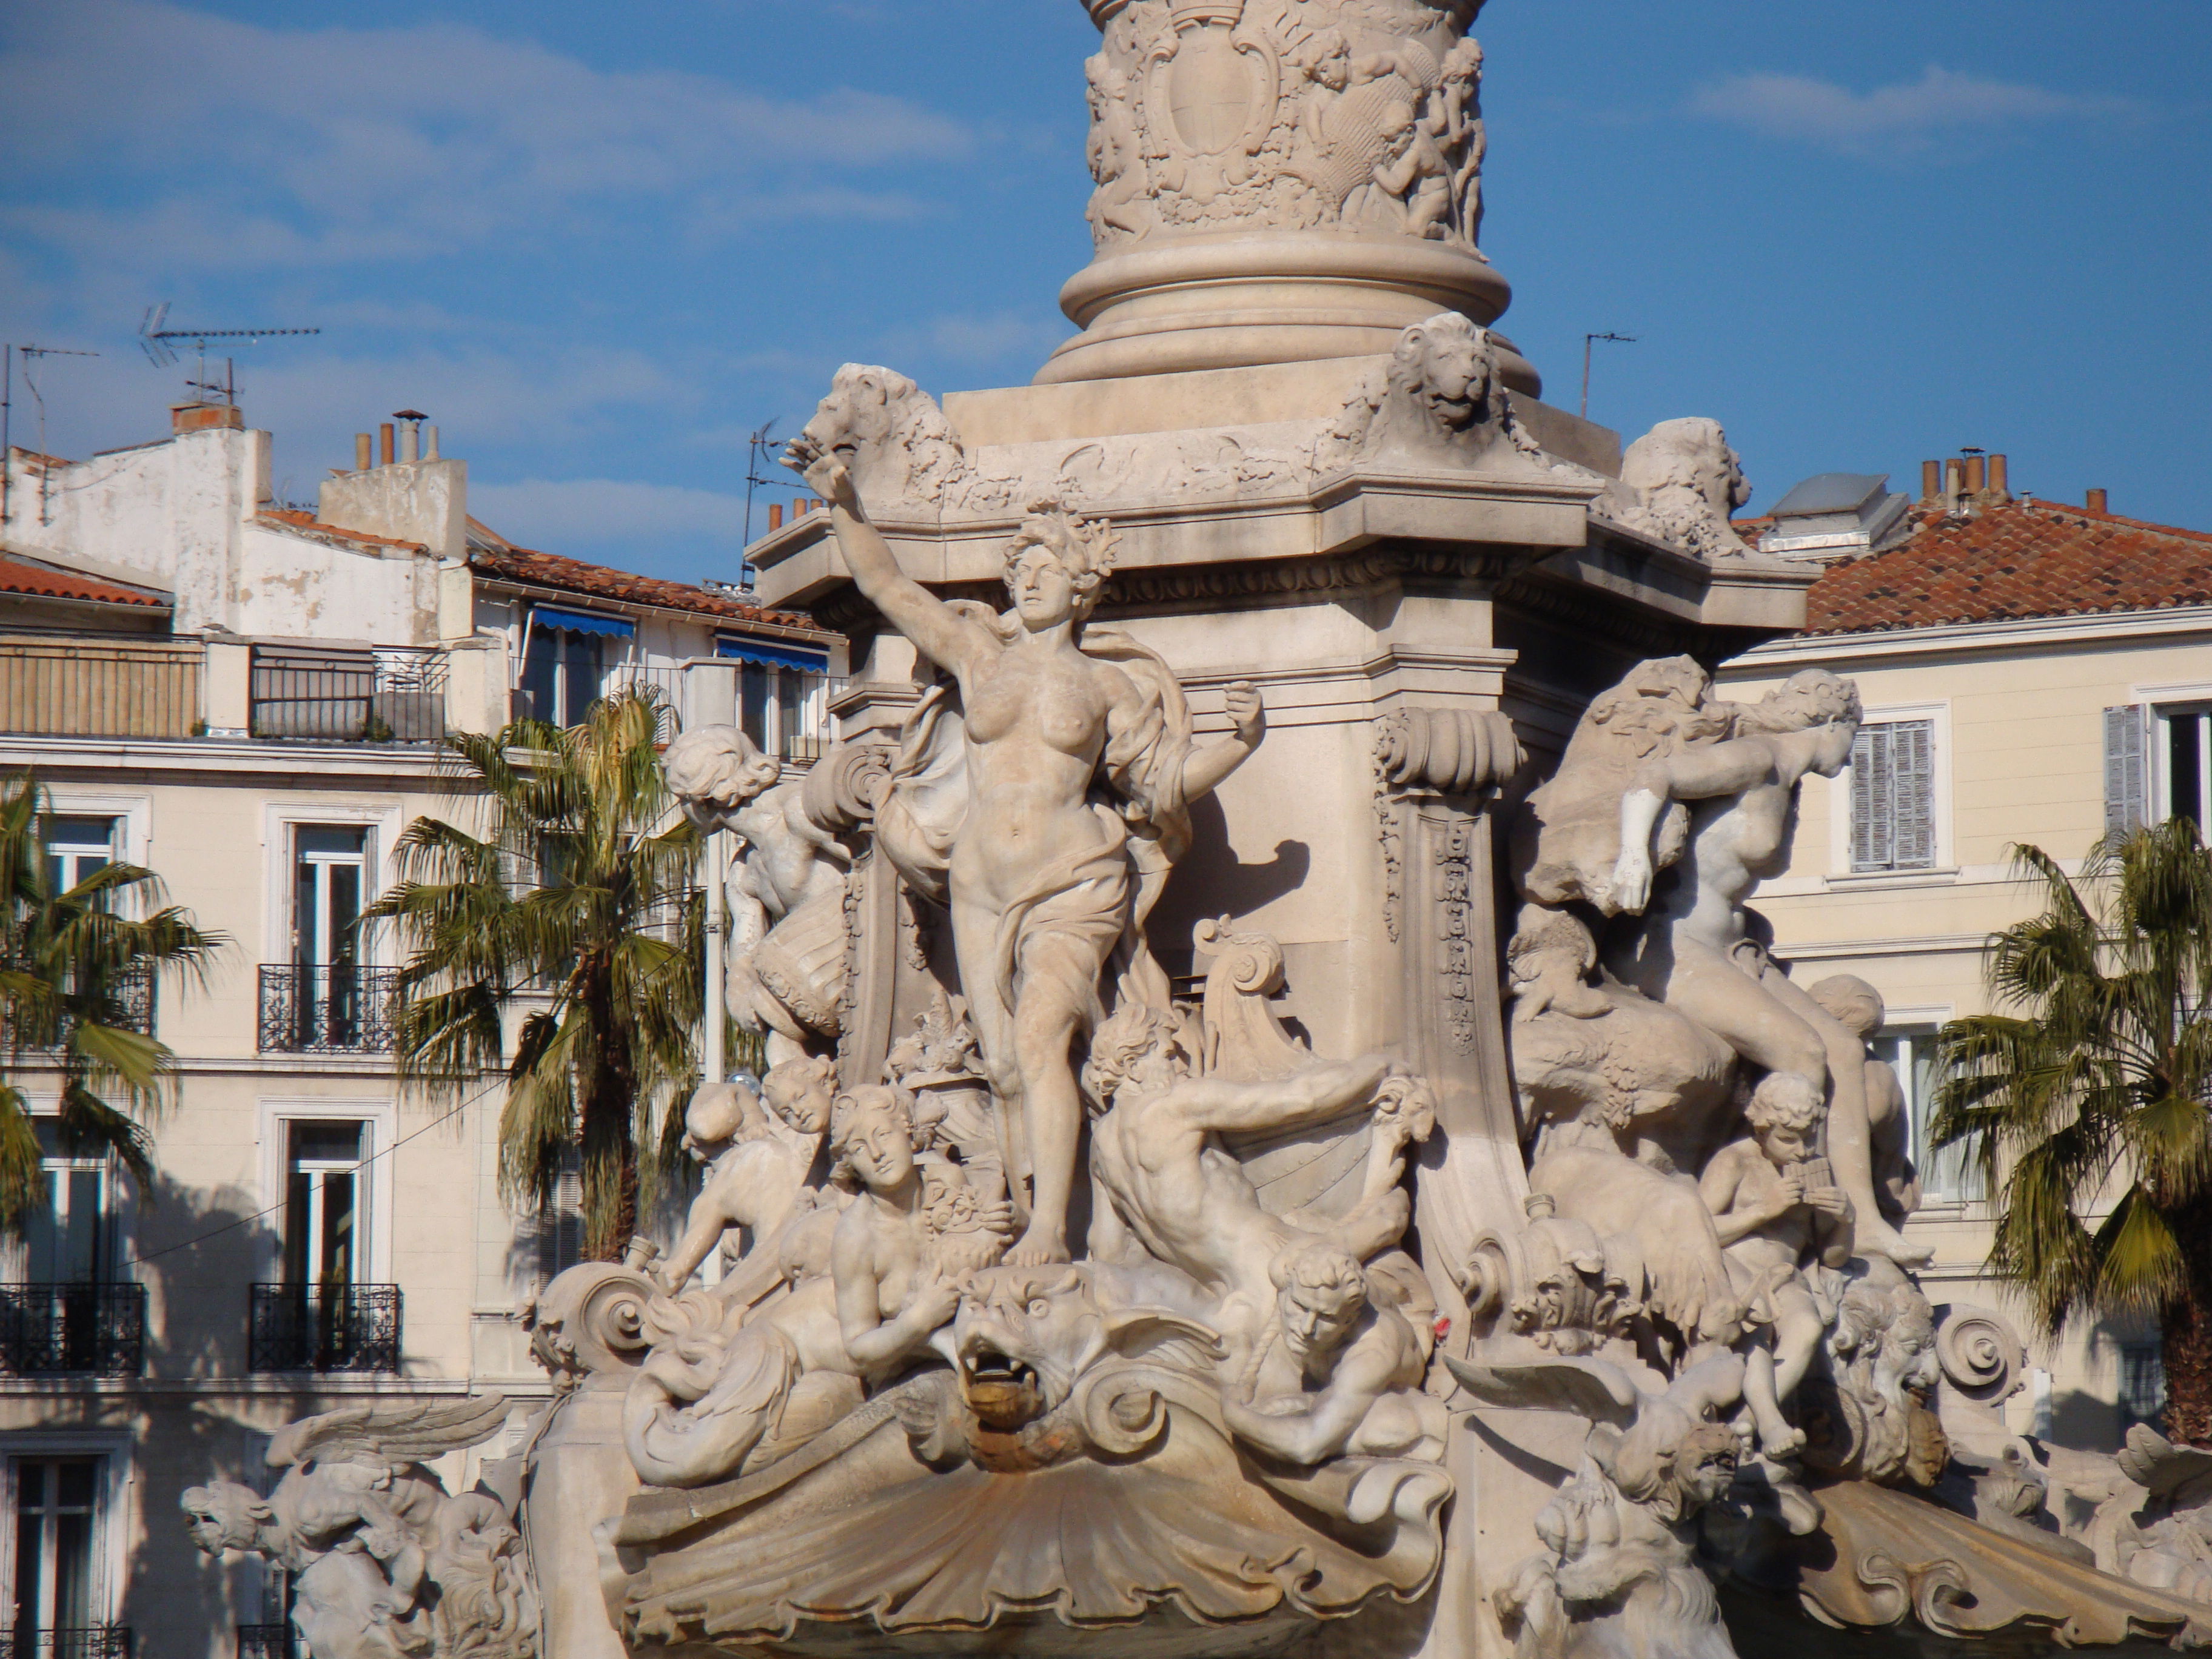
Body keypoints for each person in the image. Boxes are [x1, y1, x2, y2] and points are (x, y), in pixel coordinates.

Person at [786, 440, 1265, 1268]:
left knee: (1043, 1035)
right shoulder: (980, 657)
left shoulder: (1108, 686)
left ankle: (1053, 1231)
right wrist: (842, 504)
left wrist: (1241, 744)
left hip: (1074, 877)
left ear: (1082, 584)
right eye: (1022, 566)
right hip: (979, 881)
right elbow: (886, 587)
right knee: (1005, 1064)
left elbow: (1160, 782)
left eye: (1045, 566)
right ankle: (1017, 1212)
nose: (1028, 579)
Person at [1608, 668, 1927, 1266]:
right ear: (1833, 725)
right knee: (1802, 1051)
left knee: (1842, 1047)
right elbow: (1656, 776)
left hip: (1733, 947)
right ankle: (1811, 1217)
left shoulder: (1789, 780)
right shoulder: (1760, 758)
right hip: (1675, 945)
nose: (1851, 757)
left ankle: (1856, 1217)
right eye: (1853, 738)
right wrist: (1633, 856)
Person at [1081, 1001, 1424, 1351]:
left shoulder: (1102, 1147)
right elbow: (1303, 1098)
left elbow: (1108, 1246)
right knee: (1392, 1214)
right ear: (1132, 1066)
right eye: (1169, 1056)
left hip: (1221, 1295)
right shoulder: (1176, 1104)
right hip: (1276, 1263)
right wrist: (1379, 1066)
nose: (1181, 1066)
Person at [1698, 1073, 1853, 1456]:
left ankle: (1745, 1424)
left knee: (1806, 1326)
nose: (1801, 1152)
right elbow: (1699, 1231)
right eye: (1788, 1140)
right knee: (1758, 1319)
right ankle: (1769, 1421)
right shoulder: (1734, 1161)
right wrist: (1762, 1210)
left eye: (1808, 1139)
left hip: (1785, 1274)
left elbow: (1833, 1256)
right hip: (1732, 1266)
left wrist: (1845, 1220)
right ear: (1762, 1129)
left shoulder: (1817, 1168)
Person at [1218, 1244, 1443, 1465]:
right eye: (1300, 1306)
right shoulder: (1291, 1270)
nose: (1307, 1327)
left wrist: (1235, 1416)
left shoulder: (1372, 1354)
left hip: (1378, 1385)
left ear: (1348, 1319)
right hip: (1333, 1370)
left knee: (1384, 1427)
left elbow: (1307, 1446)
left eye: (1325, 1317)